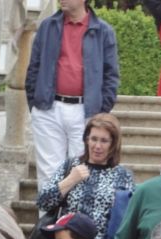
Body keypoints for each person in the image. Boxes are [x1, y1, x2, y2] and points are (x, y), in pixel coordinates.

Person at [26, 0, 120, 187]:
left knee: (82, 171)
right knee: (48, 174)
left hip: (86, 111)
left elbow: (111, 75)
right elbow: (34, 67)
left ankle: (74, 217)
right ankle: (49, 217)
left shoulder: (103, 31)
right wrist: (35, 102)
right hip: (48, 109)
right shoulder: (48, 26)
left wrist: (100, 111)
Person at [37, 112, 135, 239]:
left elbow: (129, 219)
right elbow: (43, 202)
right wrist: (71, 179)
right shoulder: (70, 166)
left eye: (104, 141)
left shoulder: (123, 176)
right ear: (86, 140)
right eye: (93, 139)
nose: (97, 146)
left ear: (113, 144)